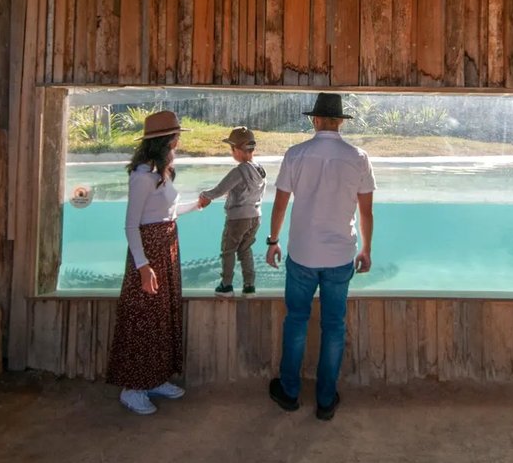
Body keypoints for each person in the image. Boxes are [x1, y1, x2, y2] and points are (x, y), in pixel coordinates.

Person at [265, 92, 376, 421]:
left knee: (296, 322)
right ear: (340, 122)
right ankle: (326, 400)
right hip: (341, 255)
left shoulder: (295, 154)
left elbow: (281, 203)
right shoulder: (358, 157)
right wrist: (366, 249)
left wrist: (273, 240)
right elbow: (366, 212)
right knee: (333, 327)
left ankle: (289, 392)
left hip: (302, 254)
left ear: (314, 120)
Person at [106, 110, 205, 415]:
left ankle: (154, 377)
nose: (179, 140)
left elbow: (166, 214)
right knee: (143, 317)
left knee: (162, 315)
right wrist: (143, 266)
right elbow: (131, 225)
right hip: (149, 252)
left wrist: (196, 205)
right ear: (166, 140)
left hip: (167, 247)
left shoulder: (160, 173)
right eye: (176, 136)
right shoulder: (141, 177)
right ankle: (132, 387)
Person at [199, 126, 267, 298]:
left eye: (231, 148)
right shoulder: (259, 169)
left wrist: (205, 196)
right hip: (255, 216)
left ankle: (226, 285)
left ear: (237, 150)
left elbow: (220, 189)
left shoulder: (239, 171)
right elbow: (252, 191)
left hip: (238, 218)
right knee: (245, 249)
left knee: (228, 250)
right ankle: (249, 286)